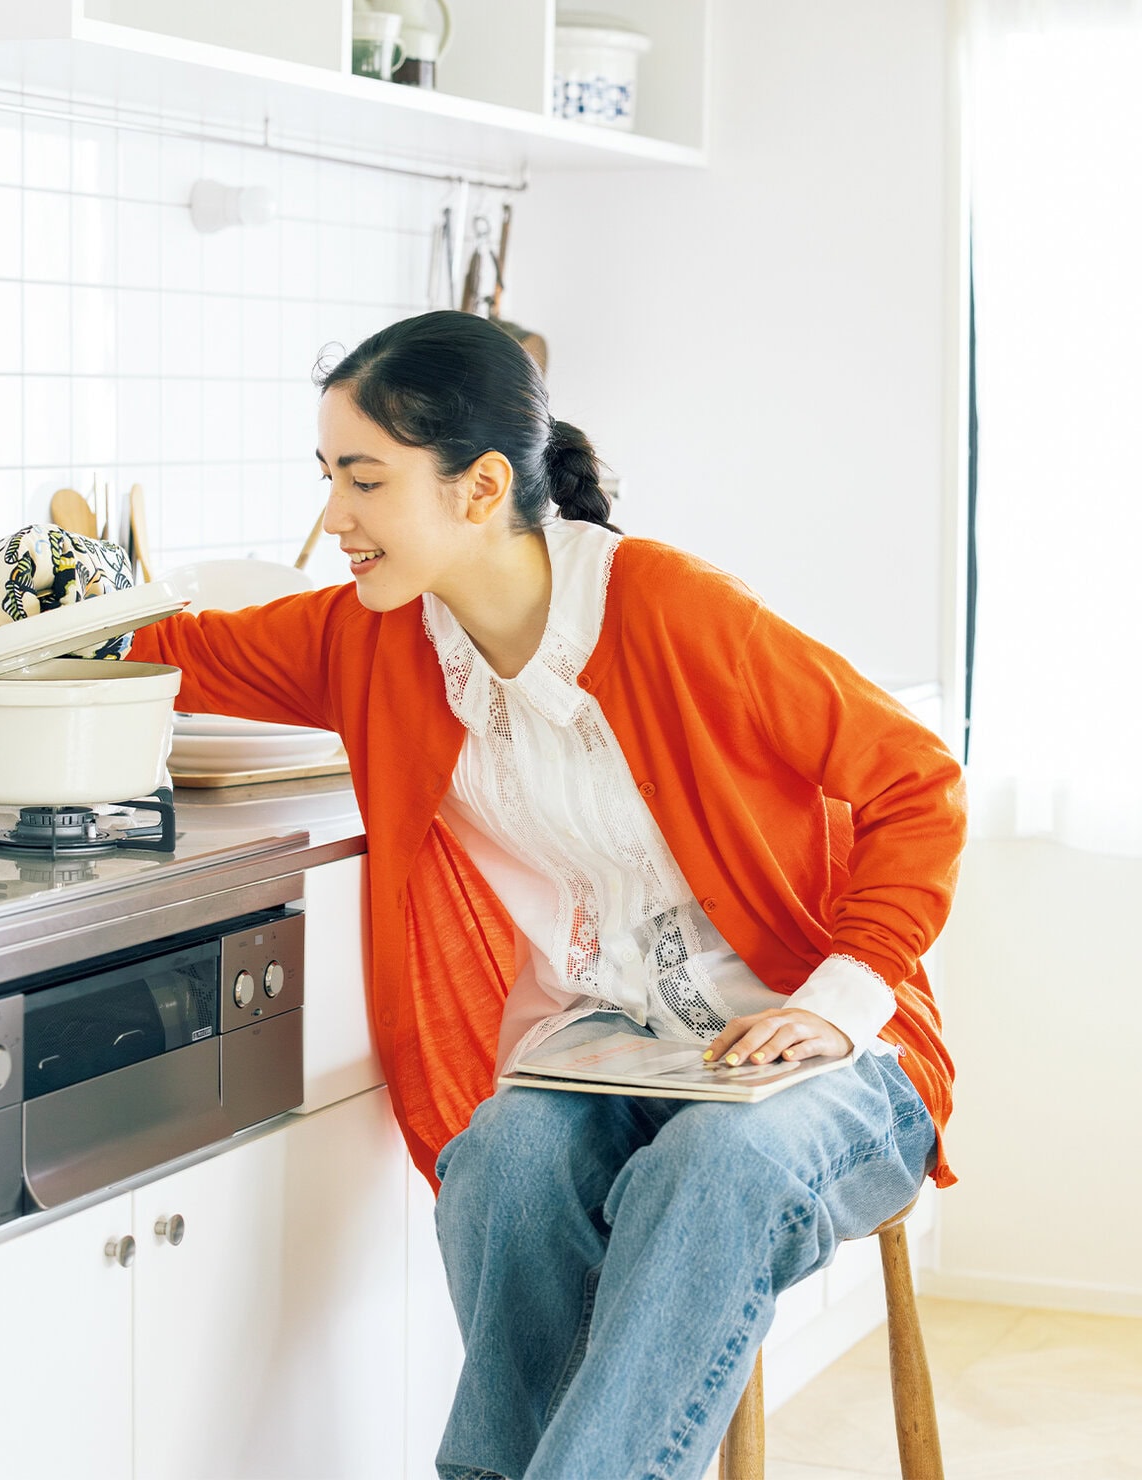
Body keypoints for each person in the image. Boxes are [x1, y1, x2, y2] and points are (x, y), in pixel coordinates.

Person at [109, 310, 966, 1478]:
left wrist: (840, 996)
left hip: (826, 1060)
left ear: (481, 487)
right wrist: (28, 614)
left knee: (709, 1166)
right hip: (612, 1053)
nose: (333, 519)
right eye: (327, 478)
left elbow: (915, 780)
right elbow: (169, 651)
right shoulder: (371, 639)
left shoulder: (668, 609)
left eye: (362, 480)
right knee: (503, 1156)